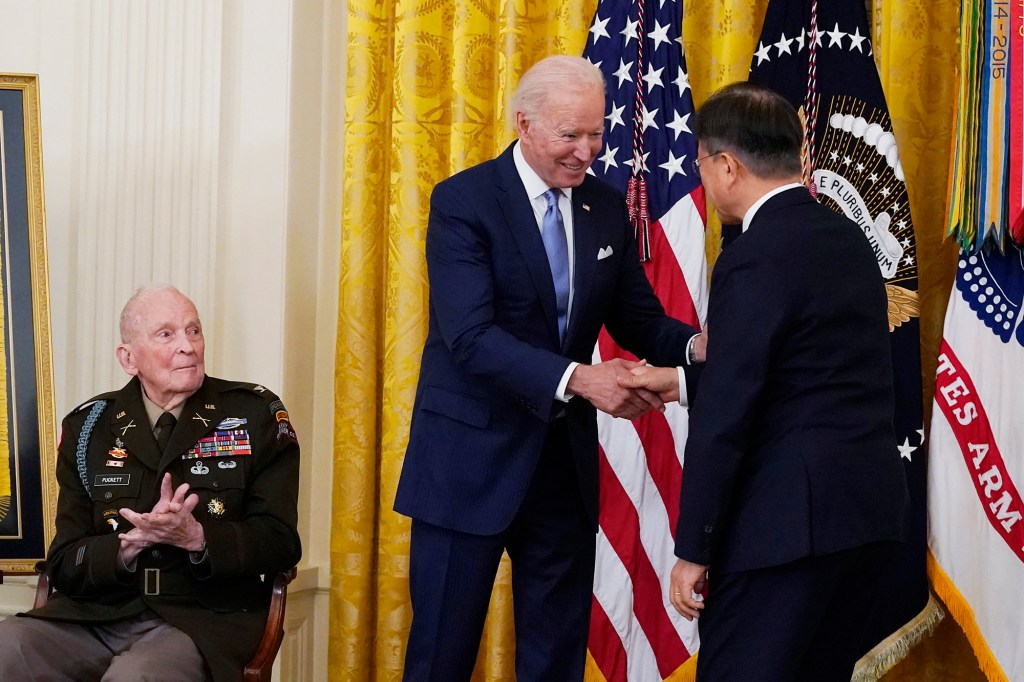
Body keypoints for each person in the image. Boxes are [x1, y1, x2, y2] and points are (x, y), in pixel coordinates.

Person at [394, 55, 705, 681]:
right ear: (524, 124)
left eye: (597, 133)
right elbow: (471, 337)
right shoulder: (464, 202)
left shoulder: (605, 207)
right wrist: (581, 380)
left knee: (555, 658)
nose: (587, 150)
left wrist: (706, 348)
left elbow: (640, 321)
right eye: (571, 134)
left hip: (561, 467)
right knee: (440, 657)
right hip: (467, 464)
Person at [622, 82, 909, 681]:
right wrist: (677, 381)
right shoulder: (848, 240)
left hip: (782, 532)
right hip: (861, 521)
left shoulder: (754, 253)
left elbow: (731, 413)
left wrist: (693, 548)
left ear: (727, 165)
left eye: (701, 165)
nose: (702, 180)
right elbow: (803, 378)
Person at [0, 284, 301, 682]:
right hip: (97, 614)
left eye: (193, 331)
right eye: (166, 334)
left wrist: (197, 537)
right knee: (7, 646)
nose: (187, 346)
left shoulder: (254, 414)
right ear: (128, 358)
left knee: (137, 676)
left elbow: (281, 542)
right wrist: (127, 546)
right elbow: (63, 559)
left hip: (200, 620)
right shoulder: (89, 426)